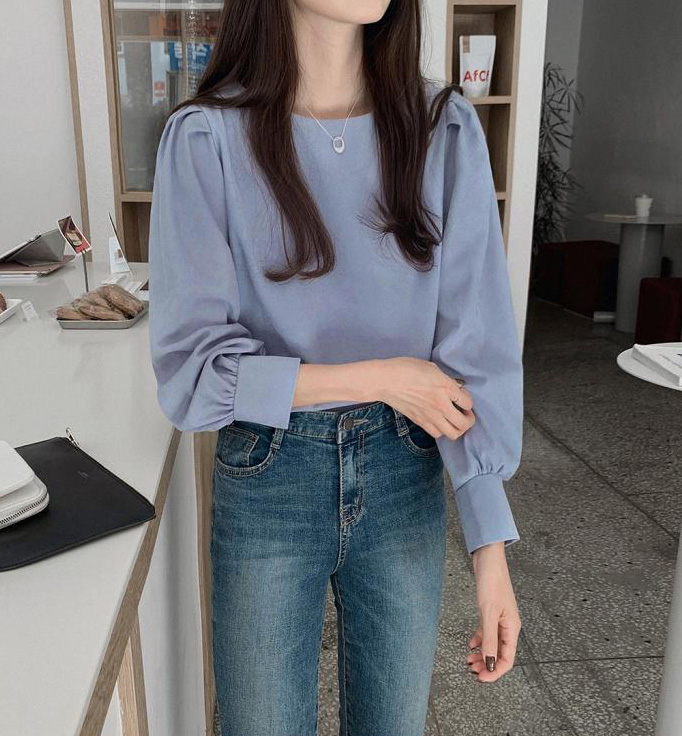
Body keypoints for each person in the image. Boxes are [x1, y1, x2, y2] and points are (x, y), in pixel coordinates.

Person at [148, 1, 524, 733]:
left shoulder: (442, 128)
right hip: (270, 470)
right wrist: (382, 378)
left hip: (407, 467)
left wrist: (490, 545)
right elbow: (192, 376)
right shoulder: (207, 137)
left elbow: (475, 349)